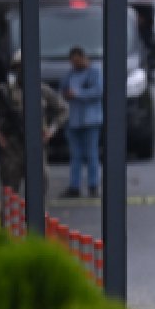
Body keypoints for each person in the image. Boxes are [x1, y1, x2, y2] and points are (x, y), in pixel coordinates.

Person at [0, 51, 67, 195]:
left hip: (36, 144)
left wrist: (51, 130)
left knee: (39, 190)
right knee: (10, 194)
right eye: (19, 68)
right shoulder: (5, 92)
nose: (22, 71)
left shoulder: (42, 90)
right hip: (11, 146)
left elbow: (63, 109)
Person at [59, 47, 102, 198]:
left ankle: (93, 185)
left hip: (90, 119)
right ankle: (74, 185)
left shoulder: (94, 73)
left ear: (84, 58)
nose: (75, 65)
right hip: (74, 120)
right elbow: (62, 91)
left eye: (78, 61)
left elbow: (98, 92)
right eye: (73, 62)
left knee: (91, 154)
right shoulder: (70, 74)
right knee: (75, 155)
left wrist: (77, 94)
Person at [134, 0, 155, 77]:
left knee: (150, 52)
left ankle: (150, 73)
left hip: (148, 29)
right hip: (142, 31)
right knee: (144, 53)